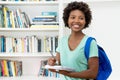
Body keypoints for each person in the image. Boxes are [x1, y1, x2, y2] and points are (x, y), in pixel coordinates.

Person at [48, 1, 99, 80]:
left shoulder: (90, 42)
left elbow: (93, 73)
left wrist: (70, 74)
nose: (77, 21)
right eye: (73, 17)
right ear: (67, 20)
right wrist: (51, 63)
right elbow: (57, 66)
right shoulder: (62, 41)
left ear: (86, 21)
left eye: (81, 18)